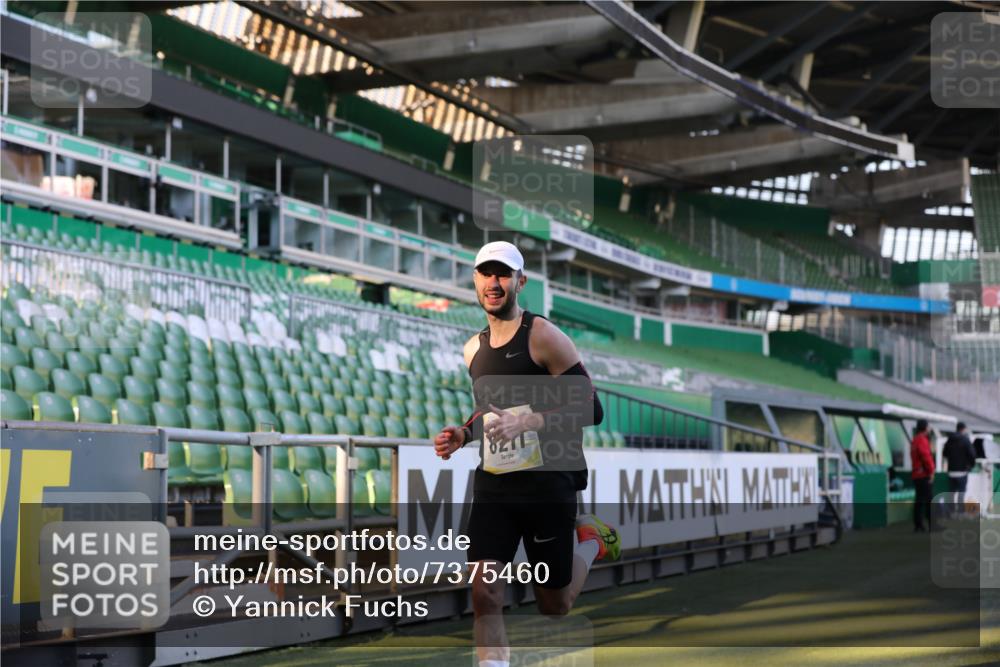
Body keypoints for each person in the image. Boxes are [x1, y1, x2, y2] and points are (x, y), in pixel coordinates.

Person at [433, 241, 620, 667]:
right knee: (485, 590)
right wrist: (463, 434)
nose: (493, 283)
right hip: (495, 485)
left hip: (548, 484)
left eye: (502, 275)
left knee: (555, 605)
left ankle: (591, 543)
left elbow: (591, 407)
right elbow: (489, 412)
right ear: (475, 280)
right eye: (486, 274)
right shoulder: (472, 350)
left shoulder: (544, 336)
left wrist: (530, 420)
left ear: (521, 281)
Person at [911, 419, 935, 532]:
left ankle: (918, 525)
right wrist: (931, 471)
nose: (929, 429)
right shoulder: (922, 440)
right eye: (929, 427)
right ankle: (931, 525)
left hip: (916, 474)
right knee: (929, 500)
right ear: (925, 428)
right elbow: (926, 456)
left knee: (919, 500)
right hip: (923, 474)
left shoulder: (915, 439)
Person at [942, 422, 977, 497]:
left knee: (951, 494)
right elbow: (972, 454)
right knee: (961, 495)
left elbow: (944, 453)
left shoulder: (950, 439)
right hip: (962, 472)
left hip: (951, 472)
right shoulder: (965, 440)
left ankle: (951, 508)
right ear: (964, 429)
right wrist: (971, 465)